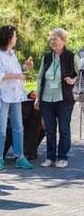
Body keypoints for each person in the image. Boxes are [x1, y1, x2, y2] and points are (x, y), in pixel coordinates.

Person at [0, 25, 33, 171]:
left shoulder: (12, 54)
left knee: (18, 126)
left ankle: (20, 157)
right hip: (1, 96)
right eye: (15, 36)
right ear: (8, 38)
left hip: (15, 95)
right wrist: (18, 76)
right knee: (1, 128)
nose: (16, 38)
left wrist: (24, 67)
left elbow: (13, 70)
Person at [34, 28, 80, 168]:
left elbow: (81, 76)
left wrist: (73, 80)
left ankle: (63, 158)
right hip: (47, 98)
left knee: (64, 129)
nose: (52, 42)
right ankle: (50, 157)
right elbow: (40, 77)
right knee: (49, 130)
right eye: (51, 39)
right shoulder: (47, 57)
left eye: (55, 39)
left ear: (63, 40)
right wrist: (38, 97)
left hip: (64, 98)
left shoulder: (72, 57)